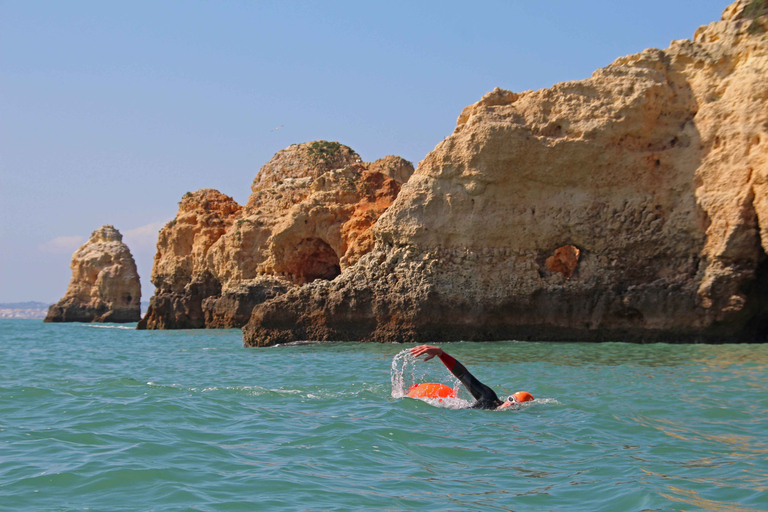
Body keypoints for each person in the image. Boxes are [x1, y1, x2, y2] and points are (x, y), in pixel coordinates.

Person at [409, 344, 534, 410]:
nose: (511, 404)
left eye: (516, 405)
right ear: (508, 398)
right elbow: (463, 374)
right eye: (512, 399)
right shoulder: (488, 397)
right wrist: (441, 353)